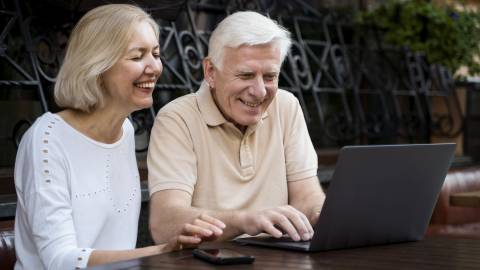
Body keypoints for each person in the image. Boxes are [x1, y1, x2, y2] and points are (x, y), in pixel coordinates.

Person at [14, 4, 224, 270]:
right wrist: (163, 251)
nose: (155, 67)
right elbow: (61, 261)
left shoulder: (125, 131)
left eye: (156, 54)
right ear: (98, 65)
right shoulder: (46, 140)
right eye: (138, 57)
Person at [147, 11, 325, 244]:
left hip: (279, 259)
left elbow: (307, 197)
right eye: (246, 75)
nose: (260, 91)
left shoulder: (286, 106)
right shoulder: (177, 118)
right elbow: (165, 223)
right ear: (210, 72)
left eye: (270, 76)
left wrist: (326, 216)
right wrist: (246, 221)